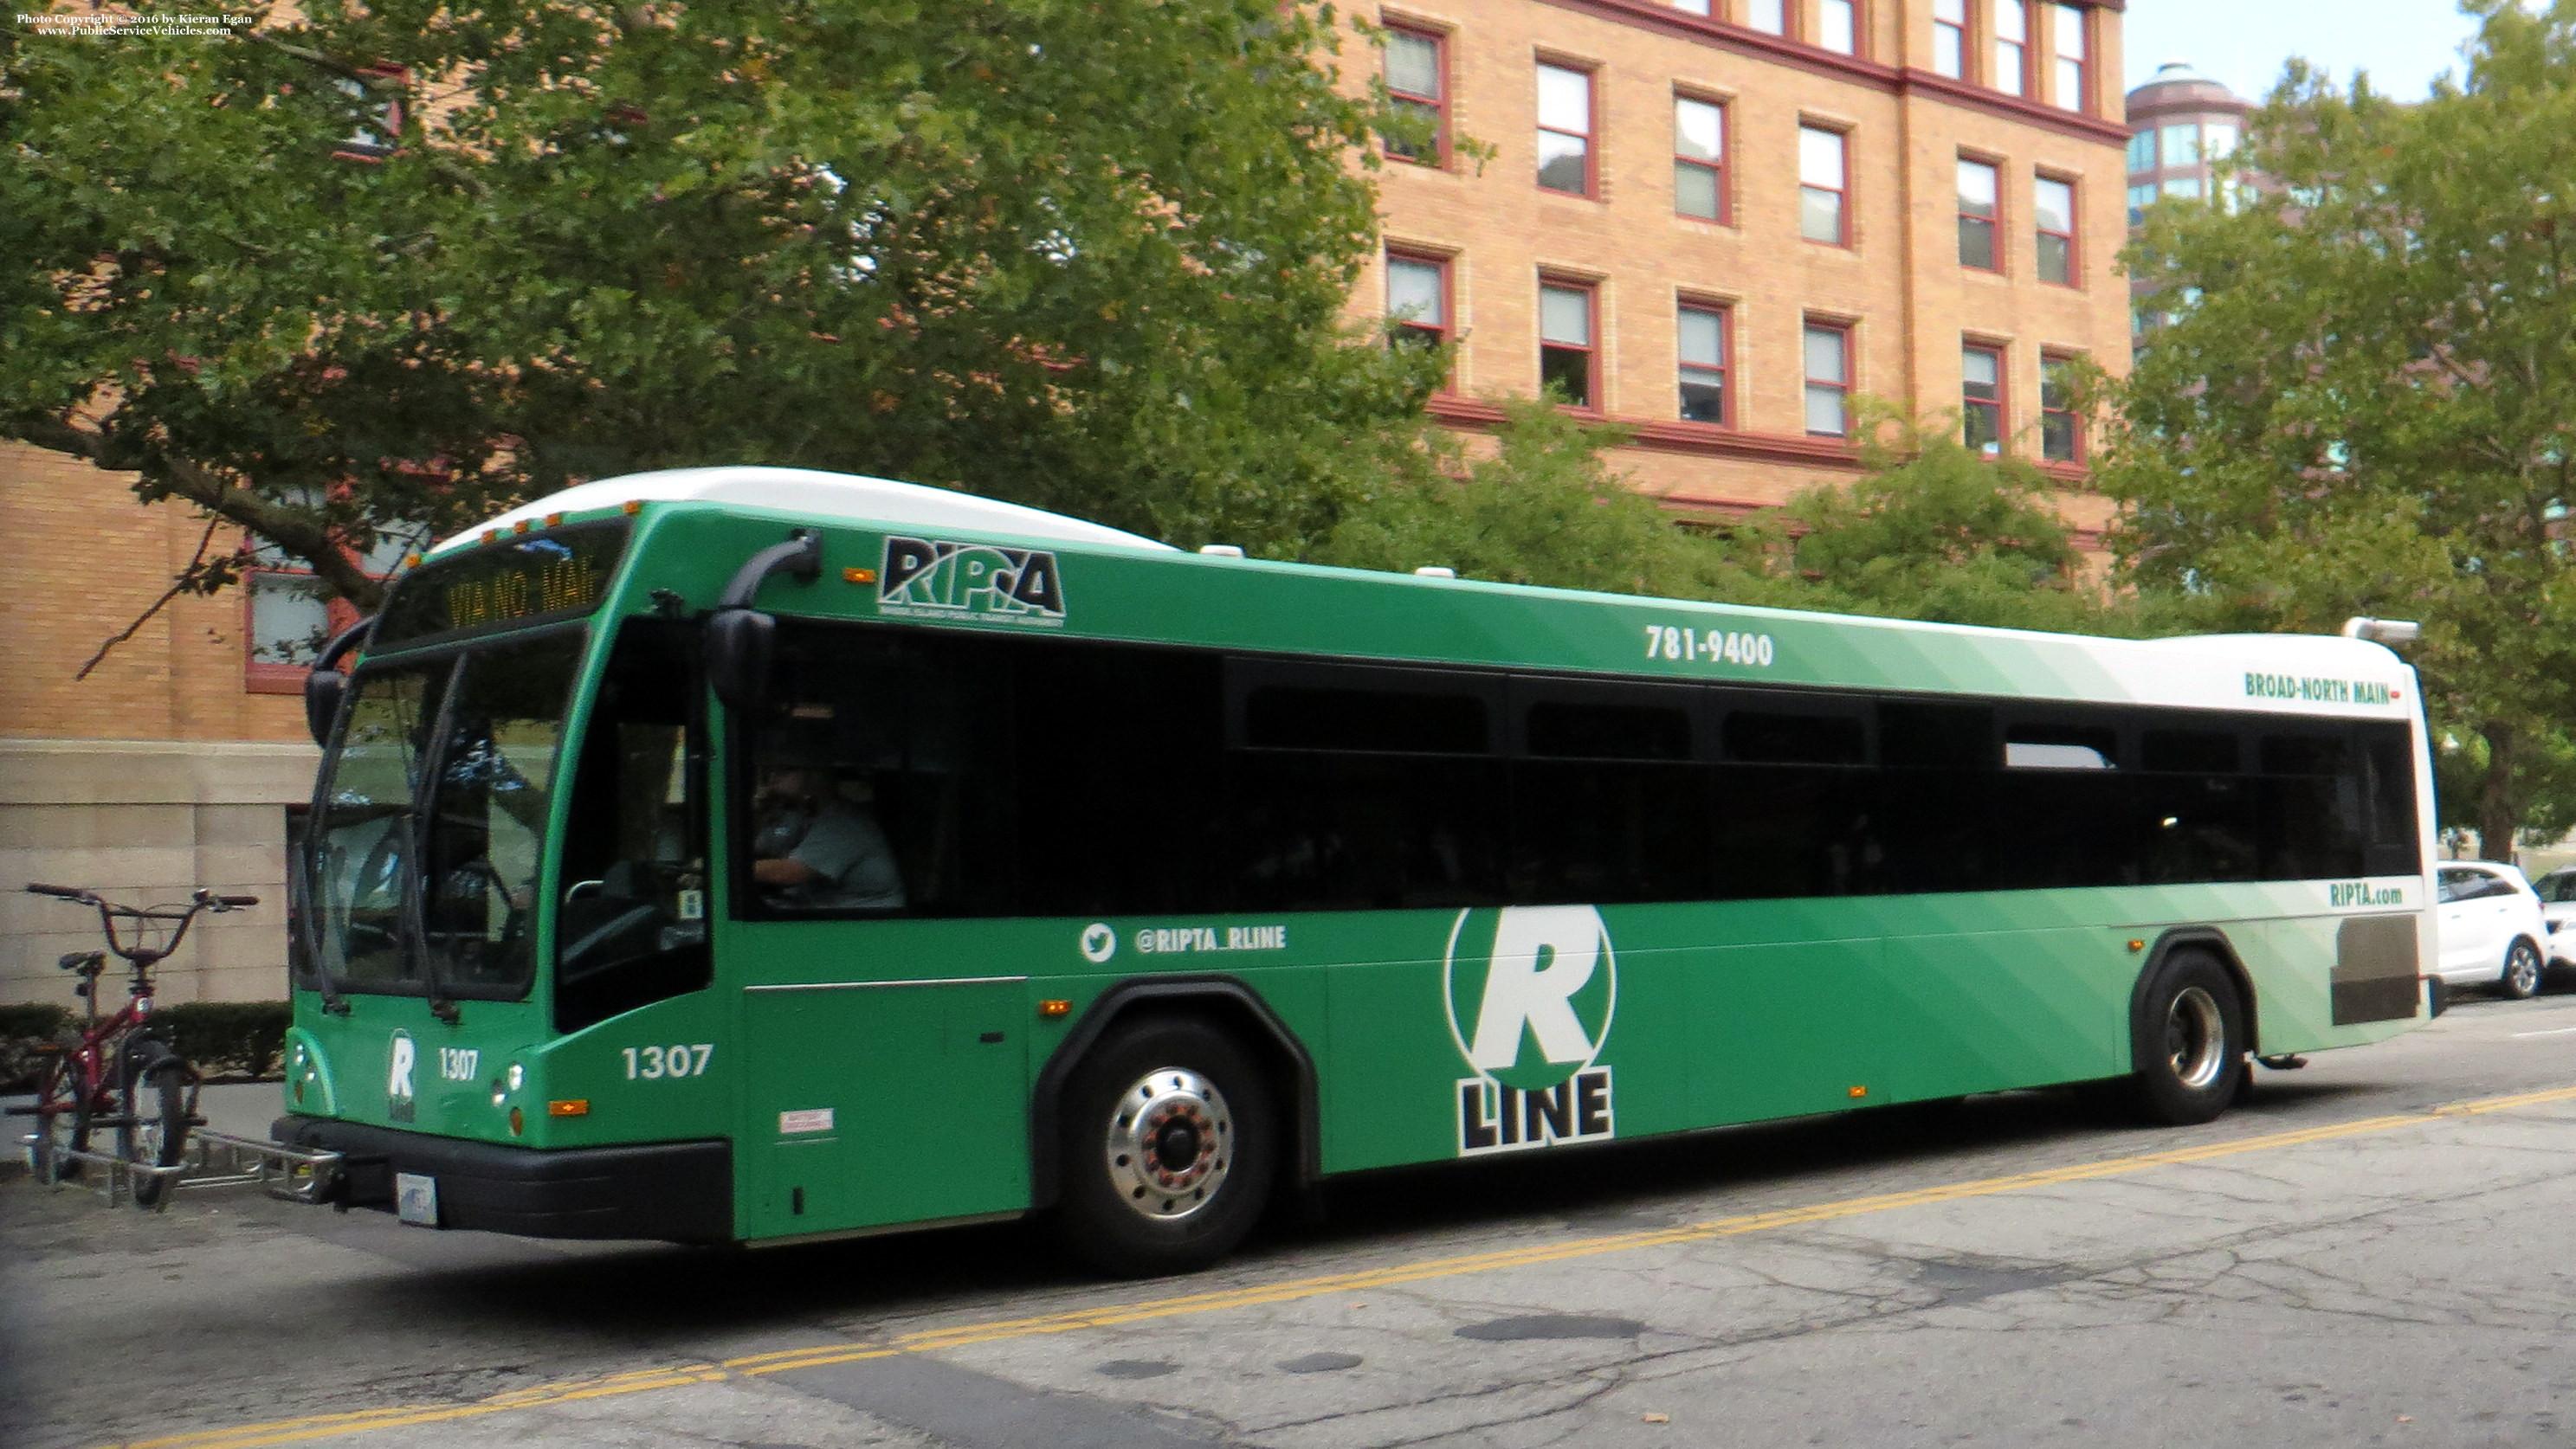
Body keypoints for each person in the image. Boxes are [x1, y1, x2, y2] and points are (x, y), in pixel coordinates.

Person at [750, 766, 906, 911]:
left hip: (865, 923)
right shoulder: (799, 816)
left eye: (785, 770)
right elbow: (764, 851)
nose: (773, 777)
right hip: (820, 910)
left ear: (814, 777)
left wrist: (732, 869)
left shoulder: (844, 822)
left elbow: (788, 872)